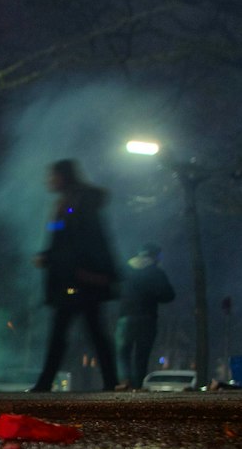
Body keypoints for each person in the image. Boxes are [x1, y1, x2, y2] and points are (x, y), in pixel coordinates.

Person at [32, 160, 120, 392]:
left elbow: (74, 238)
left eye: (52, 176)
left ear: (63, 177)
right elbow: (67, 237)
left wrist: (50, 258)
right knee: (91, 332)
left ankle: (45, 383)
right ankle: (111, 382)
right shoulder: (72, 202)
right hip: (81, 278)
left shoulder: (74, 203)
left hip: (78, 279)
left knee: (63, 332)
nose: (48, 181)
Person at [116, 243, 175, 390]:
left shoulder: (125, 269)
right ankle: (137, 385)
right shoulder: (156, 272)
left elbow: (114, 289)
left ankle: (125, 380)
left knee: (123, 352)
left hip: (126, 316)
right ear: (154, 256)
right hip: (147, 318)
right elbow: (169, 295)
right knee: (142, 354)